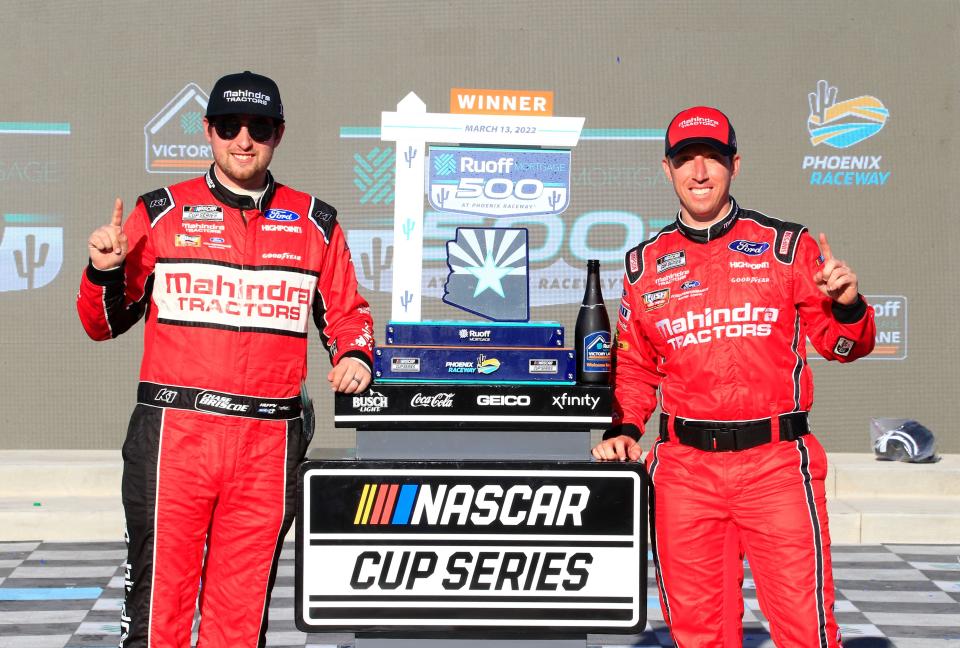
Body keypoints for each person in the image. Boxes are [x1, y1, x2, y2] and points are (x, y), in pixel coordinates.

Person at [77, 71, 374, 647]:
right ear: (208, 132)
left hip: (268, 441)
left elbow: (347, 312)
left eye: (259, 127)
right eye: (230, 127)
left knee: (237, 623)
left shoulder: (316, 221)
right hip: (175, 434)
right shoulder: (160, 211)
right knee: (159, 608)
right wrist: (104, 272)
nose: (244, 140)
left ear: (278, 134)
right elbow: (103, 325)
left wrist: (356, 353)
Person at [592, 106, 875, 647]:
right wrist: (623, 429)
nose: (699, 173)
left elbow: (844, 346)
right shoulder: (643, 265)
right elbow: (633, 365)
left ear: (735, 165)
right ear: (667, 169)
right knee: (699, 636)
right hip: (684, 472)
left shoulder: (787, 248)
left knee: (807, 633)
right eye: (685, 160)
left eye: (712, 159)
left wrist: (846, 305)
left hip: (775, 467)